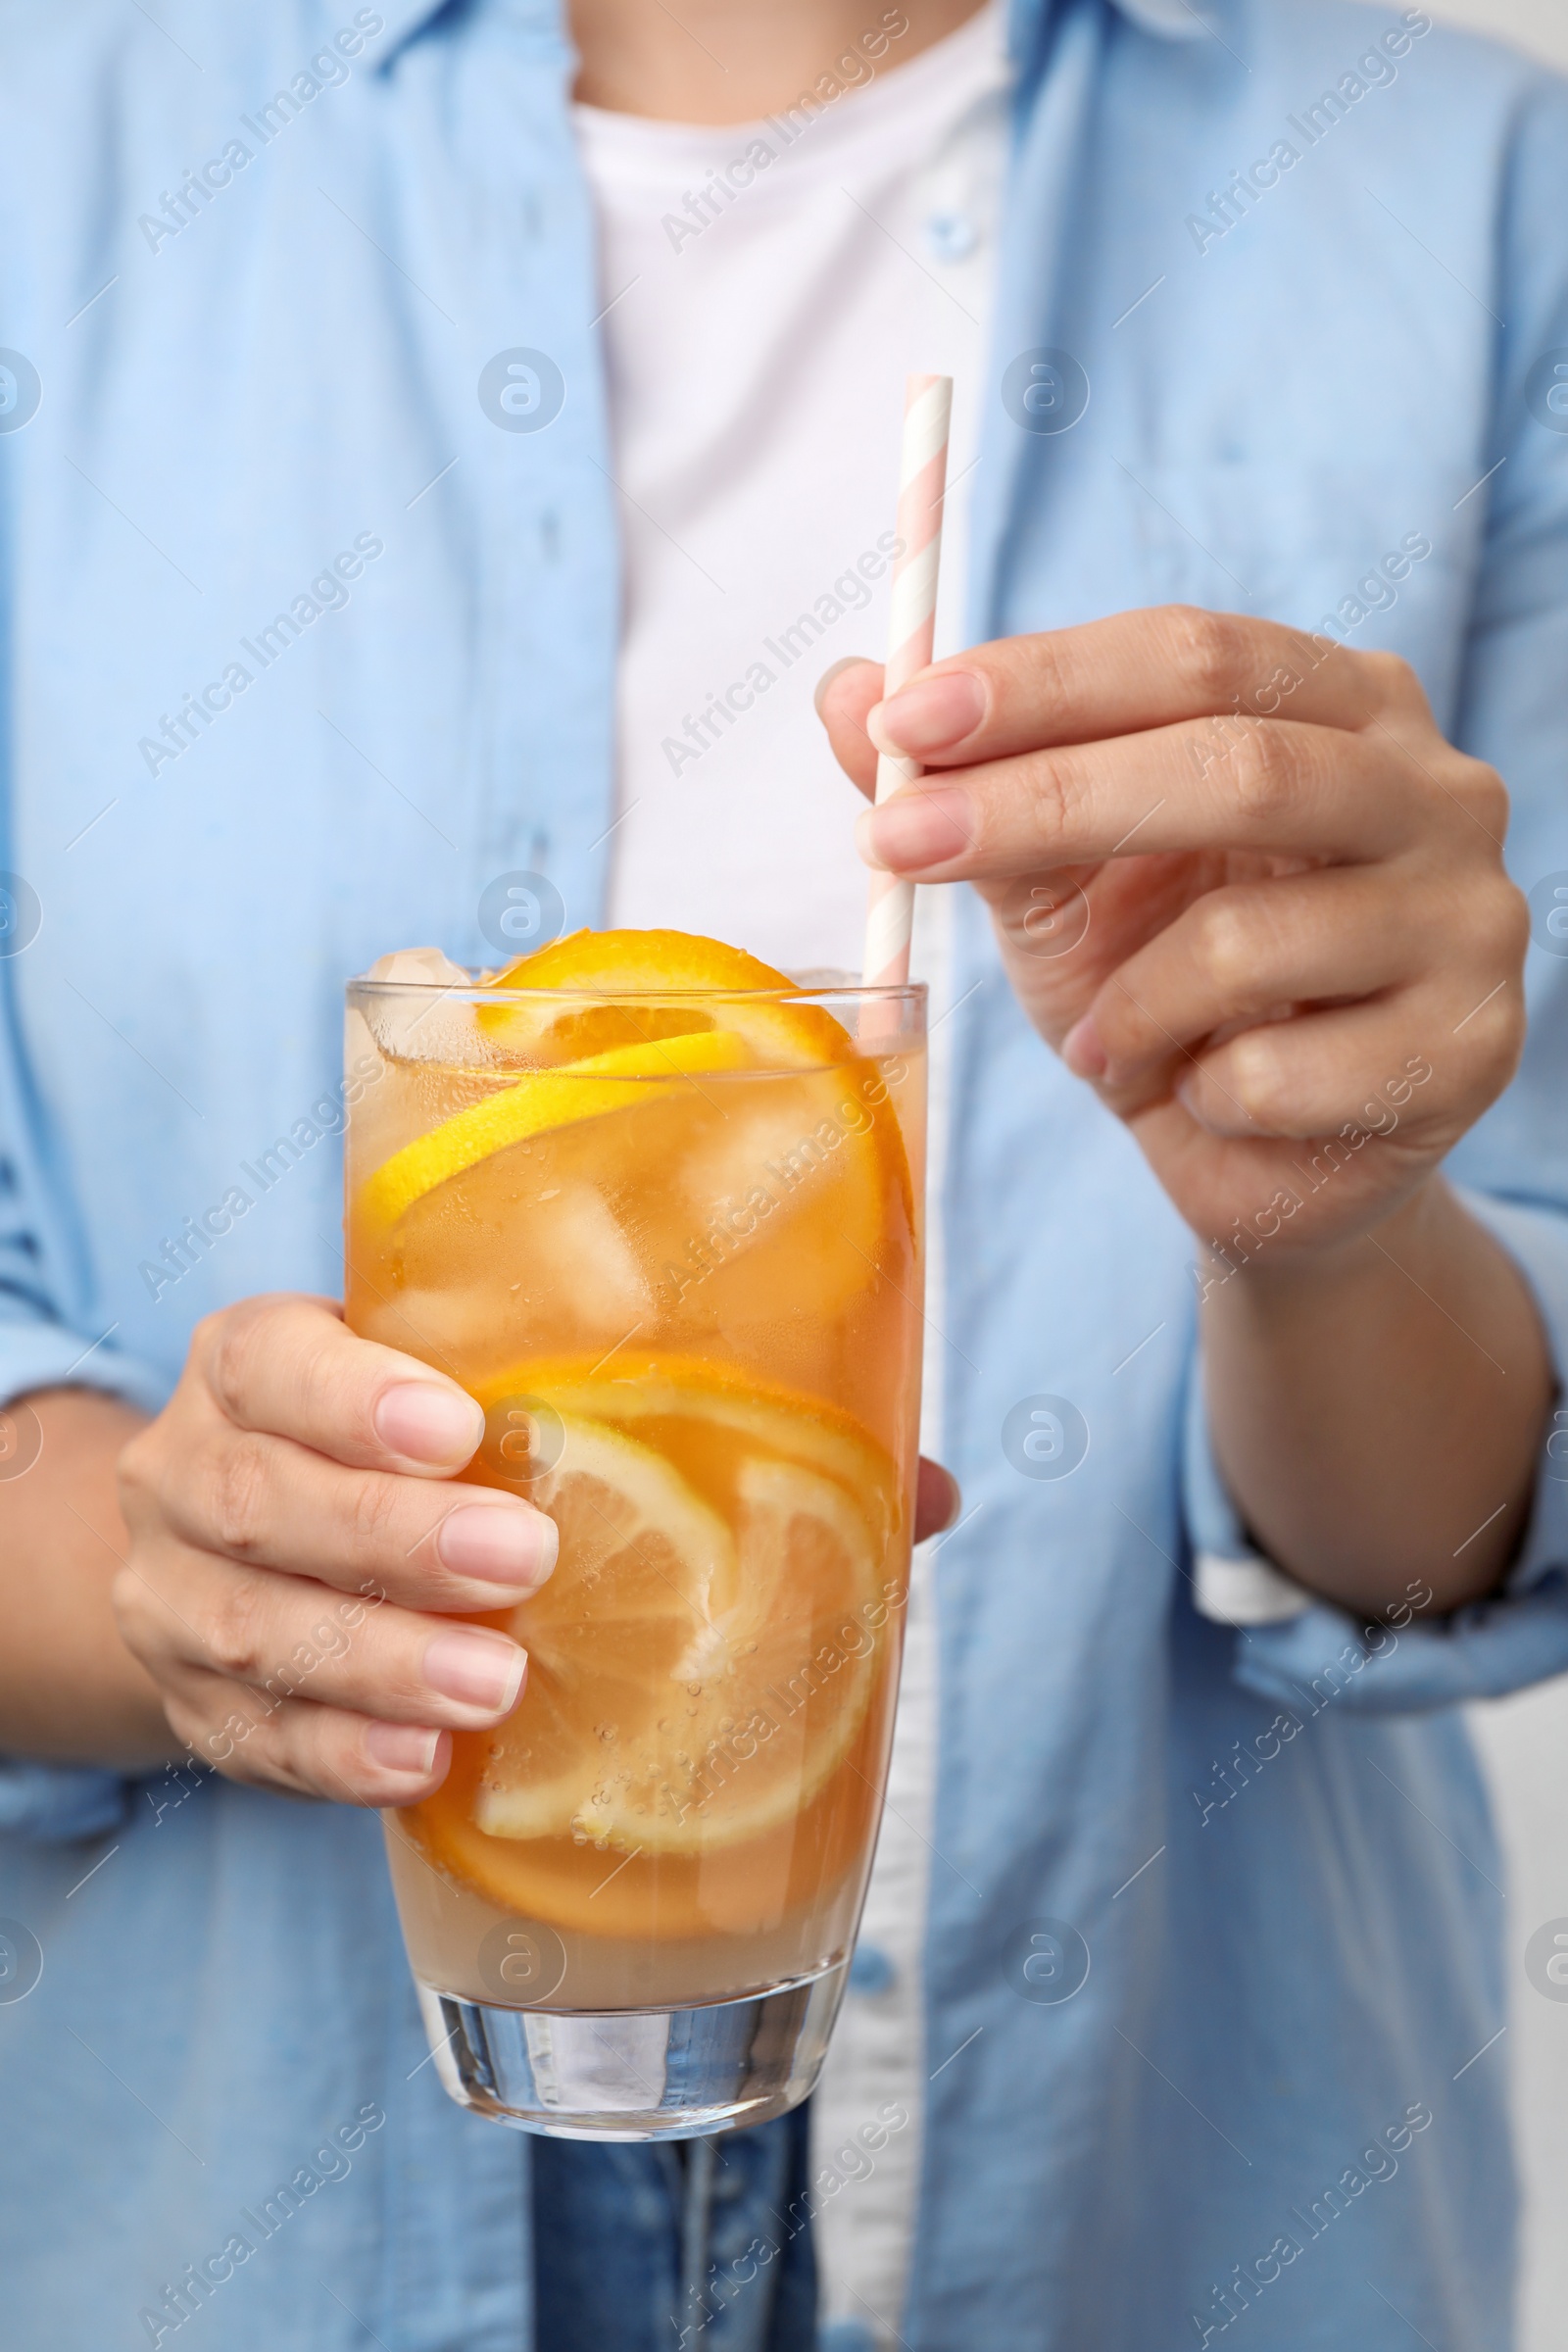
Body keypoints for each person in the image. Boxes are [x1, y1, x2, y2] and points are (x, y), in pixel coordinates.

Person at [1, 0, 1566, 2344]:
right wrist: (163, 1569)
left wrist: (1335, 1231)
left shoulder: (1462, 199)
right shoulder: (54, 133)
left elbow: (1446, 1544)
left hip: (1176, 2215)